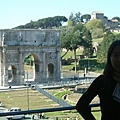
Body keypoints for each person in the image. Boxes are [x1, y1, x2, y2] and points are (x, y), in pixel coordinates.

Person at [76, 40, 120, 120]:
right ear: (110, 58)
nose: (119, 60)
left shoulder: (102, 81)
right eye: (116, 55)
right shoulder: (101, 82)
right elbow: (81, 105)